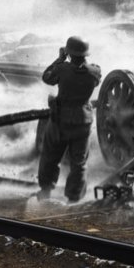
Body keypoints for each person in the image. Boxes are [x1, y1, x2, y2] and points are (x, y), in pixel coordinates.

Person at [37, 36, 102, 203]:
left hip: (61, 121)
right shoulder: (94, 72)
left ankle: (45, 190)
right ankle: (73, 198)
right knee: (79, 162)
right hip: (83, 122)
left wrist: (59, 58)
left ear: (69, 52)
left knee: (50, 156)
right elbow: (91, 76)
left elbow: (46, 77)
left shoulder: (62, 69)